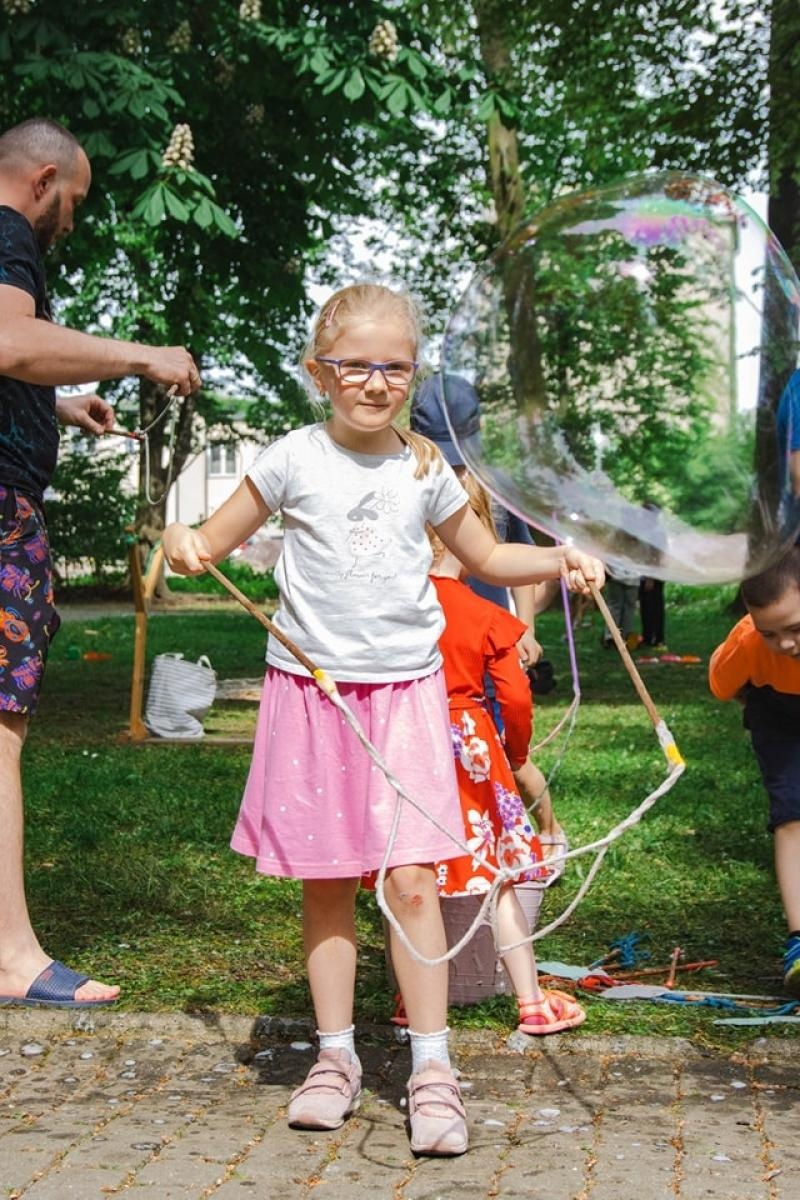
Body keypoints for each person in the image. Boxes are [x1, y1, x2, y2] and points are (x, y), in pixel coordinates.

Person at [161, 283, 603, 1157]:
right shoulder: (290, 457)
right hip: (313, 699)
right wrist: (183, 542)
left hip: (406, 697)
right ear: (318, 372)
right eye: (355, 365)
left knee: (411, 883)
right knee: (327, 880)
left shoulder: (424, 466)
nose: (375, 382)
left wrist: (557, 556)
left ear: (413, 373)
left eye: (394, 366)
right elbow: (207, 542)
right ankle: (335, 1059)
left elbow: (484, 554)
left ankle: (433, 1069)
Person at [0, 117, 201, 1009]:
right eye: (73, 201)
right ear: (43, 181)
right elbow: (8, 341)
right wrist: (141, 356)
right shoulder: (8, 233)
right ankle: (10, 956)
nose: (71, 222)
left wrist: (63, 401)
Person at [372, 468, 586, 1035]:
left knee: (409, 881)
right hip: (473, 752)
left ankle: (409, 1002)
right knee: (502, 882)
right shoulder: (488, 616)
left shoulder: (391, 612)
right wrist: (513, 753)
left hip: (407, 746)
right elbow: (514, 695)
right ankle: (532, 1002)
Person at [410, 373, 566, 874]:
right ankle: (456, 853)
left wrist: (527, 628)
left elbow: (517, 556)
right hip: (429, 634)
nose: (452, 464)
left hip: (488, 633)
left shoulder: (495, 486)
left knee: (504, 750)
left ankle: (545, 834)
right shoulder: (406, 476)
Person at [708, 546, 800, 997]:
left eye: (796, 629)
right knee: (792, 816)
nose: (785, 644)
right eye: (771, 633)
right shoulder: (747, 643)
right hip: (779, 715)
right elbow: (721, 685)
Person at [602, 562, 641, 650]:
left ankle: (611, 636)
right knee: (628, 609)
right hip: (632, 577)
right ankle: (625, 636)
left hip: (616, 575)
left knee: (615, 607)